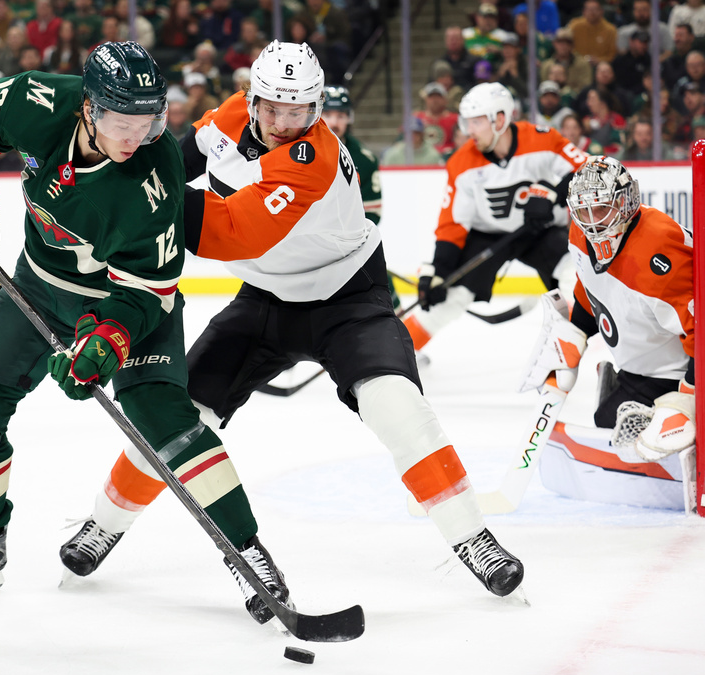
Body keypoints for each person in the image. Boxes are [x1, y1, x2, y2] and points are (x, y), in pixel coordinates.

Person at [60, 41, 525, 602]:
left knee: (396, 406)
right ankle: (102, 526)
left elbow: (232, 230)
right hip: (264, 298)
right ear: (253, 98)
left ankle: (472, 537)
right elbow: (171, 162)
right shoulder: (233, 114)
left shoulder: (315, 160)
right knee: (177, 418)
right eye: (272, 109)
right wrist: (111, 181)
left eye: (299, 112)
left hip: (349, 298)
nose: (283, 123)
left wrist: (124, 207)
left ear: (318, 109)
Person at [0, 41, 293, 626]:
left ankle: (247, 554)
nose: (135, 136)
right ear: (88, 107)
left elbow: (148, 290)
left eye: (150, 120)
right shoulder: (36, 100)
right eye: (120, 120)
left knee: (168, 424)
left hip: (129, 304)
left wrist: (107, 339)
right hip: (37, 285)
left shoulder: (155, 173)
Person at [520, 156, 695, 510]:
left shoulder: (661, 248)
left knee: (679, 437)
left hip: (680, 372)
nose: (591, 223)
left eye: (601, 210)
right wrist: (576, 334)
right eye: (583, 212)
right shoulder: (579, 232)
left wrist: (688, 398)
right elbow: (591, 288)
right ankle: (622, 384)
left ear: (627, 203)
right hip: (642, 366)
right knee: (607, 422)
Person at [402, 83, 585, 355]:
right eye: (466, 122)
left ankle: (568, 351)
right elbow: (453, 224)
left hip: (540, 232)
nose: (468, 131)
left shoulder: (543, 139)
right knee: (448, 300)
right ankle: (395, 354)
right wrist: (440, 271)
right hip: (488, 235)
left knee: (576, 275)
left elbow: (590, 169)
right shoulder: (462, 163)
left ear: (500, 119)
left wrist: (554, 195)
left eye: (475, 122)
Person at [322, 84, 397, 310]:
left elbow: (372, 212)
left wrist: (345, 238)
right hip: (307, 244)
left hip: (347, 244)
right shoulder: (296, 151)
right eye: (328, 114)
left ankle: (395, 322)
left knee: (379, 279)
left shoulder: (364, 160)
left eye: (341, 115)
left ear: (349, 118)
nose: (334, 122)